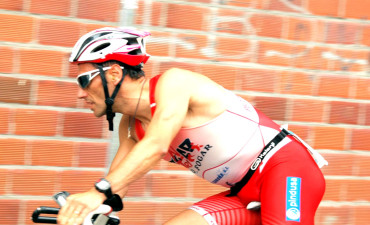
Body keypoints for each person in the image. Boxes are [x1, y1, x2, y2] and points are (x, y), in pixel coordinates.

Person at [57, 27, 328, 225]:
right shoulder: (131, 126)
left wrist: (97, 193)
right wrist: (84, 212)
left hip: (286, 169)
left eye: (84, 81)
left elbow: (156, 145)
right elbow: (119, 182)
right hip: (244, 192)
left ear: (114, 73)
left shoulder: (174, 83)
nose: (80, 94)